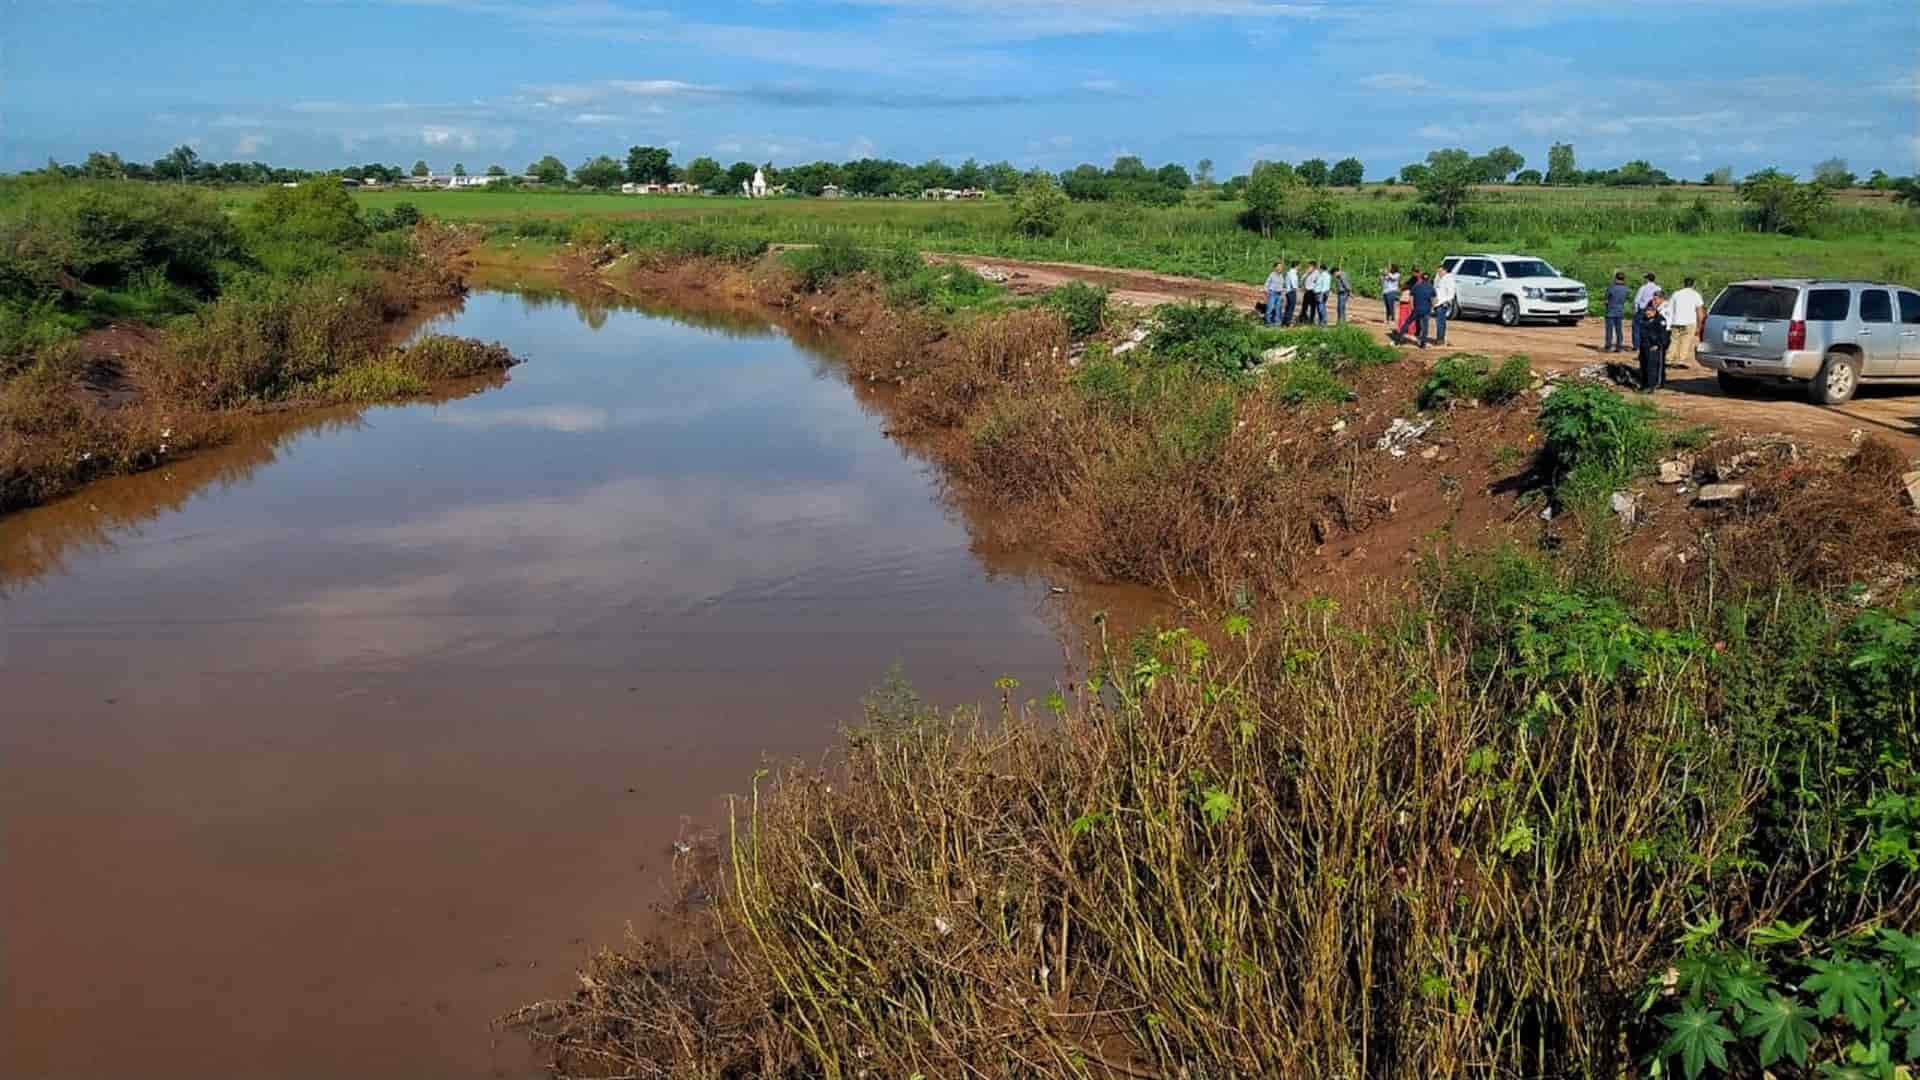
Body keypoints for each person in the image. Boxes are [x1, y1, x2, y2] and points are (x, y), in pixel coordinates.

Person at [1666, 275, 1705, 368]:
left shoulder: (1676, 294)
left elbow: (1669, 309)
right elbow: (1700, 311)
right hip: (1689, 322)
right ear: (1694, 285)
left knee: (1674, 341)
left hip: (1676, 321)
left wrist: (1669, 322)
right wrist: (1700, 326)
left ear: (1684, 284)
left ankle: (1669, 359)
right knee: (1685, 342)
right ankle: (1680, 360)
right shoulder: (1696, 295)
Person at [1636, 289, 1671, 391]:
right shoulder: (1647, 316)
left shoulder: (1665, 309)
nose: (1654, 301)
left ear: (1661, 298)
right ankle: (1647, 383)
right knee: (1646, 363)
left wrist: (1660, 343)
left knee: (1657, 363)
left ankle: (1657, 383)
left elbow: (1665, 328)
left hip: (1660, 337)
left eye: (1655, 299)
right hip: (1648, 342)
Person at [1407, 268, 1437, 348]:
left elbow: (1411, 297)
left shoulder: (1417, 286)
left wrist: (1412, 306)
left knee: (1407, 323)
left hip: (1417, 309)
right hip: (1426, 310)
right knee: (1425, 327)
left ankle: (1398, 339)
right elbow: (1433, 300)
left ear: (1422, 278)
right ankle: (1423, 343)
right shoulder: (1431, 288)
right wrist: (1433, 308)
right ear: (1429, 279)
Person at [1632, 272, 1660, 352]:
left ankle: (1637, 346)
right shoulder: (1658, 288)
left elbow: (1637, 300)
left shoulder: (1643, 288)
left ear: (1647, 279)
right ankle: (1651, 344)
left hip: (1643, 309)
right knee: (1652, 328)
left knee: (1637, 327)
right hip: (1653, 310)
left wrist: (1636, 310)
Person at [1603, 272, 1630, 353]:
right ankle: (1619, 346)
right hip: (1620, 310)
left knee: (1609, 330)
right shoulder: (1625, 289)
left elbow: (1606, 299)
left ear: (1616, 278)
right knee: (1619, 330)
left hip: (1610, 311)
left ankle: (1608, 346)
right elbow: (1625, 299)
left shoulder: (1611, 288)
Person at [1430, 263, 1456, 345]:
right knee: (1441, 322)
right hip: (1437, 303)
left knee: (1440, 322)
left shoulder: (1449, 279)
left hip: (1443, 303)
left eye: (1440, 271)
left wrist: (1447, 302)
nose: (1439, 273)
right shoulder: (1439, 278)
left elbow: (1451, 292)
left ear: (1445, 270)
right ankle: (1441, 338)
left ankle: (1440, 339)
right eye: (1438, 271)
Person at [1263, 261, 1285, 326]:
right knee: (1270, 307)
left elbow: (1282, 285)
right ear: (1275, 268)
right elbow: (1267, 283)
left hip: (1279, 293)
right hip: (1272, 293)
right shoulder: (1272, 274)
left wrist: (1282, 294)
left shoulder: (1281, 275)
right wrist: (1266, 291)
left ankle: (1277, 322)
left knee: (1278, 308)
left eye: (1281, 267)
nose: (1280, 268)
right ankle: (1268, 322)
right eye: (1279, 266)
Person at [1281, 260, 1300, 327]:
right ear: (1296, 266)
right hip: (1292, 292)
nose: (1299, 267)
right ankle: (1287, 322)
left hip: (1288, 291)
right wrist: (1296, 290)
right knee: (1291, 308)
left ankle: (1284, 322)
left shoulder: (1289, 272)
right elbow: (1293, 283)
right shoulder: (1292, 273)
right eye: (1299, 266)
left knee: (1288, 307)